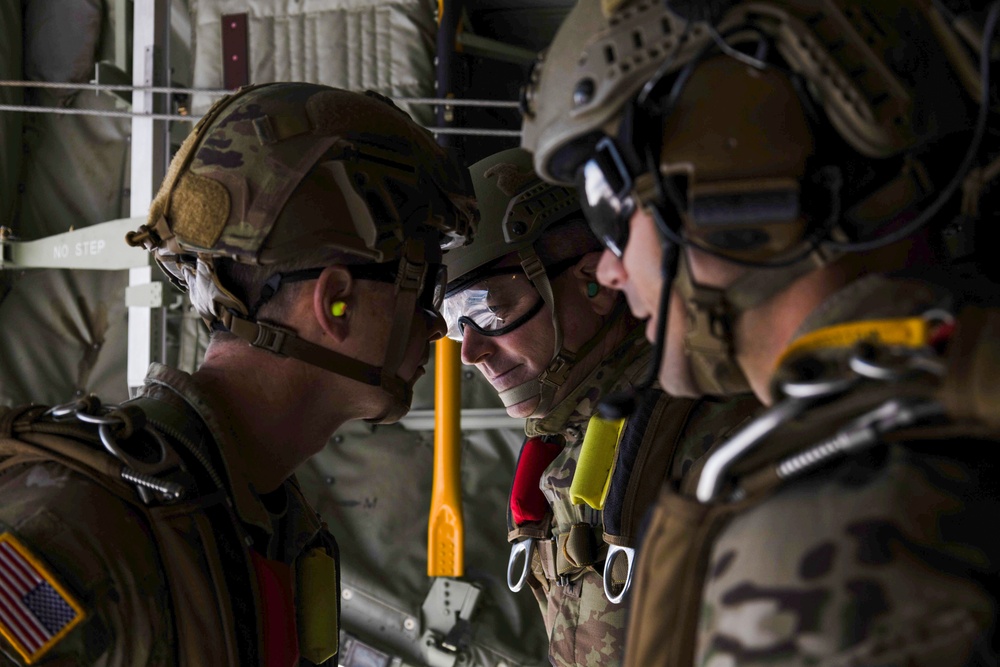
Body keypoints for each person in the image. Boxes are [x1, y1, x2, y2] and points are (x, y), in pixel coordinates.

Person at [521, 1, 1000, 665]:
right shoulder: (949, 384)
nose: (609, 265)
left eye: (609, 205)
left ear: (724, 181)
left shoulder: (828, 540)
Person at [0, 82, 475, 666]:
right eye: (425, 289)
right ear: (336, 303)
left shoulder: (263, 522)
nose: (437, 327)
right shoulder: (81, 525)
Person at [441, 147, 759, 667]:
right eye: (458, 321)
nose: (471, 352)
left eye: (490, 310)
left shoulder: (718, 434)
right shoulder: (569, 445)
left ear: (594, 283)